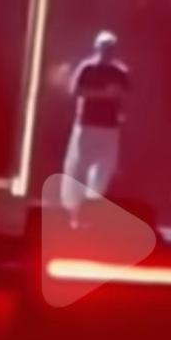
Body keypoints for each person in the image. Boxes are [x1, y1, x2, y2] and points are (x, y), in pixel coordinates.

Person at [61, 30, 130, 227]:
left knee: (103, 171)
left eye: (110, 49)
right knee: (79, 168)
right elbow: (75, 91)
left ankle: (90, 211)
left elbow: (125, 94)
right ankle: (74, 211)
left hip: (109, 129)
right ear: (97, 48)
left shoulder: (120, 72)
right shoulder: (87, 69)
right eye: (104, 48)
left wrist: (116, 104)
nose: (107, 52)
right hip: (87, 125)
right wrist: (103, 95)